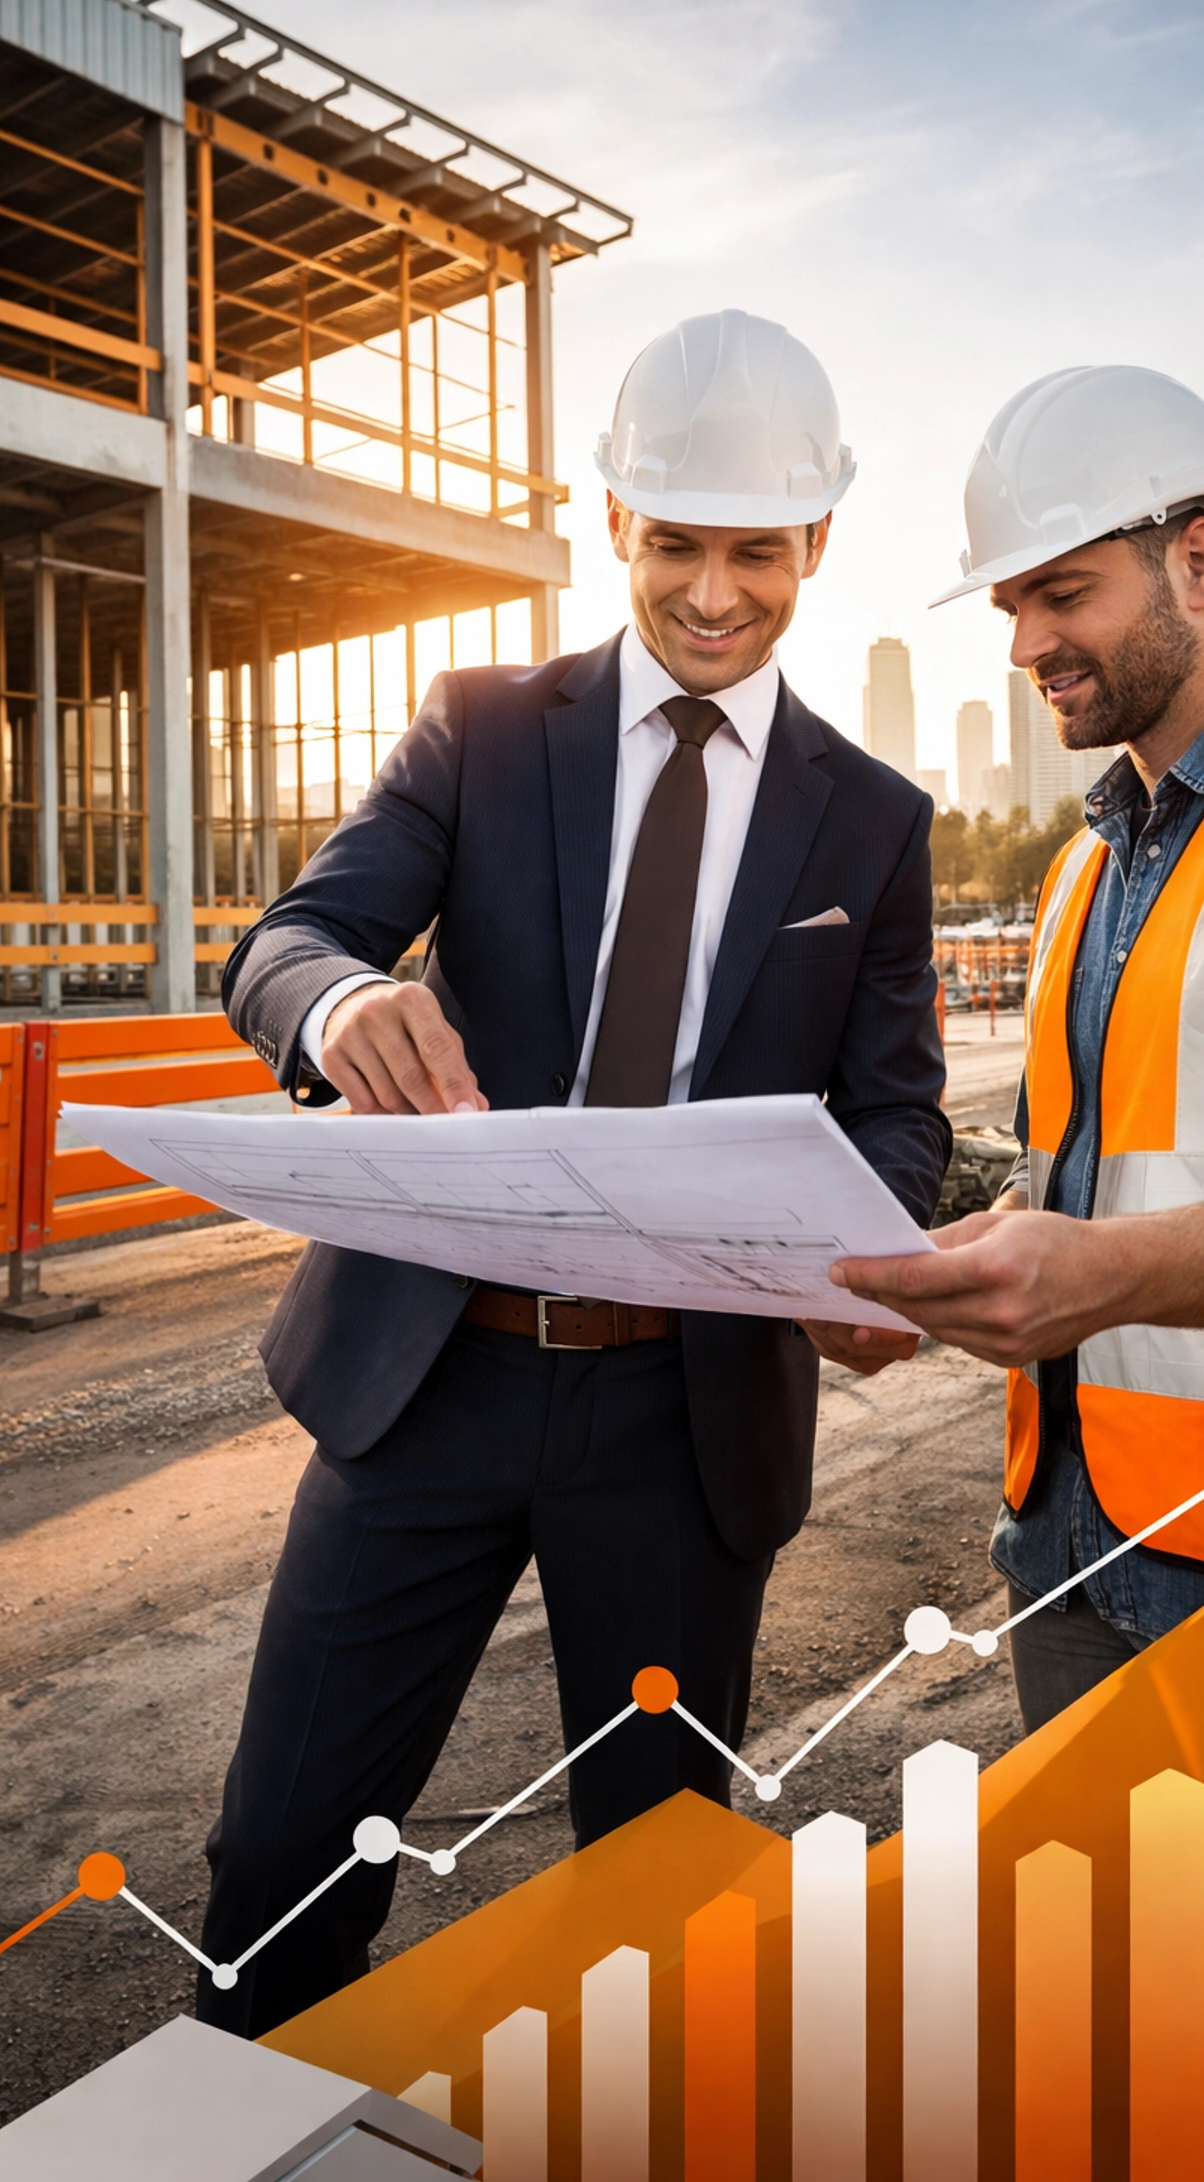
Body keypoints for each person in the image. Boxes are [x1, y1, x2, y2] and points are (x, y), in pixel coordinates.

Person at [201, 309, 951, 2034]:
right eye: (673, 543)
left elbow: (898, 1113)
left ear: (818, 543)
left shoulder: (875, 822)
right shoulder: (480, 727)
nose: (710, 593)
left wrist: (857, 1250)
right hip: (426, 1380)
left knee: (660, 1891)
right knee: (283, 1869)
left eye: (753, 551)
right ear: (613, 521)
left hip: (685, 1423)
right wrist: (342, 1005)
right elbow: (291, 938)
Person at [833, 363, 1204, 1732]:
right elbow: (1088, 1179)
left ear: (1200, 561)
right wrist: (947, 1269)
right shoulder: (1091, 867)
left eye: (1061, 592)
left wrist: (1105, 1273)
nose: (1023, 643)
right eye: (1012, 604)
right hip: (1068, 1552)